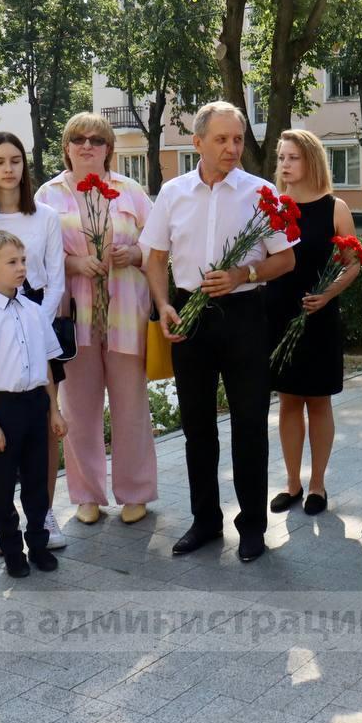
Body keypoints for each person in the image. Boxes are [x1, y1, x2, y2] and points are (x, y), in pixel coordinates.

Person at [141, 101, 297, 563]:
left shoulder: (261, 191)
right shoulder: (173, 193)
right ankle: (205, 521)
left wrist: (243, 274)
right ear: (197, 143)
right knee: (197, 428)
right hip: (190, 314)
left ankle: (252, 527)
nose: (232, 148)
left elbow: (285, 259)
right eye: (222, 139)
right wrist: (164, 303)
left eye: (237, 139)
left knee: (250, 424)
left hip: (245, 313)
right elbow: (154, 257)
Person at [36, 113, 157, 525]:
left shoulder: (131, 191)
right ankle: (87, 494)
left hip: (125, 314)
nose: (87, 146)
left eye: (97, 140)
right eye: (78, 139)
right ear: (67, 147)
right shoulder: (48, 195)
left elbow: (157, 246)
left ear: (109, 148)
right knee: (78, 410)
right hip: (75, 319)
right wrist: (72, 262)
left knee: (131, 406)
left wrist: (134, 254)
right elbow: (36, 256)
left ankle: (135, 491)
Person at [0, 132, 68, 551]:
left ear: (25, 165)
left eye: (16, 160)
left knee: (44, 423)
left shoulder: (46, 216)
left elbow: (55, 279)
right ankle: (7, 525)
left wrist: (33, 323)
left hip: (36, 318)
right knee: (3, 426)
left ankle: (45, 514)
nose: (9, 169)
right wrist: (1, 322)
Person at [265, 130, 361, 516]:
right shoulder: (272, 207)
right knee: (287, 401)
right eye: (282, 157)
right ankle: (292, 483)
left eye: (293, 158)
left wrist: (329, 294)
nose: (285, 165)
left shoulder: (334, 207)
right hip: (278, 313)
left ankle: (317, 485)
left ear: (311, 161)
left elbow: (353, 262)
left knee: (318, 402)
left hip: (320, 315)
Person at [0, 230, 67, 578]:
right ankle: (11, 548)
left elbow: (50, 367)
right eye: (12, 262)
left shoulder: (36, 313)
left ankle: (38, 543)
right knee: (4, 484)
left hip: (36, 405)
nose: (21, 267)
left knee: (37, 481)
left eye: (23, 260)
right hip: (4, 409)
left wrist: (54, 409)